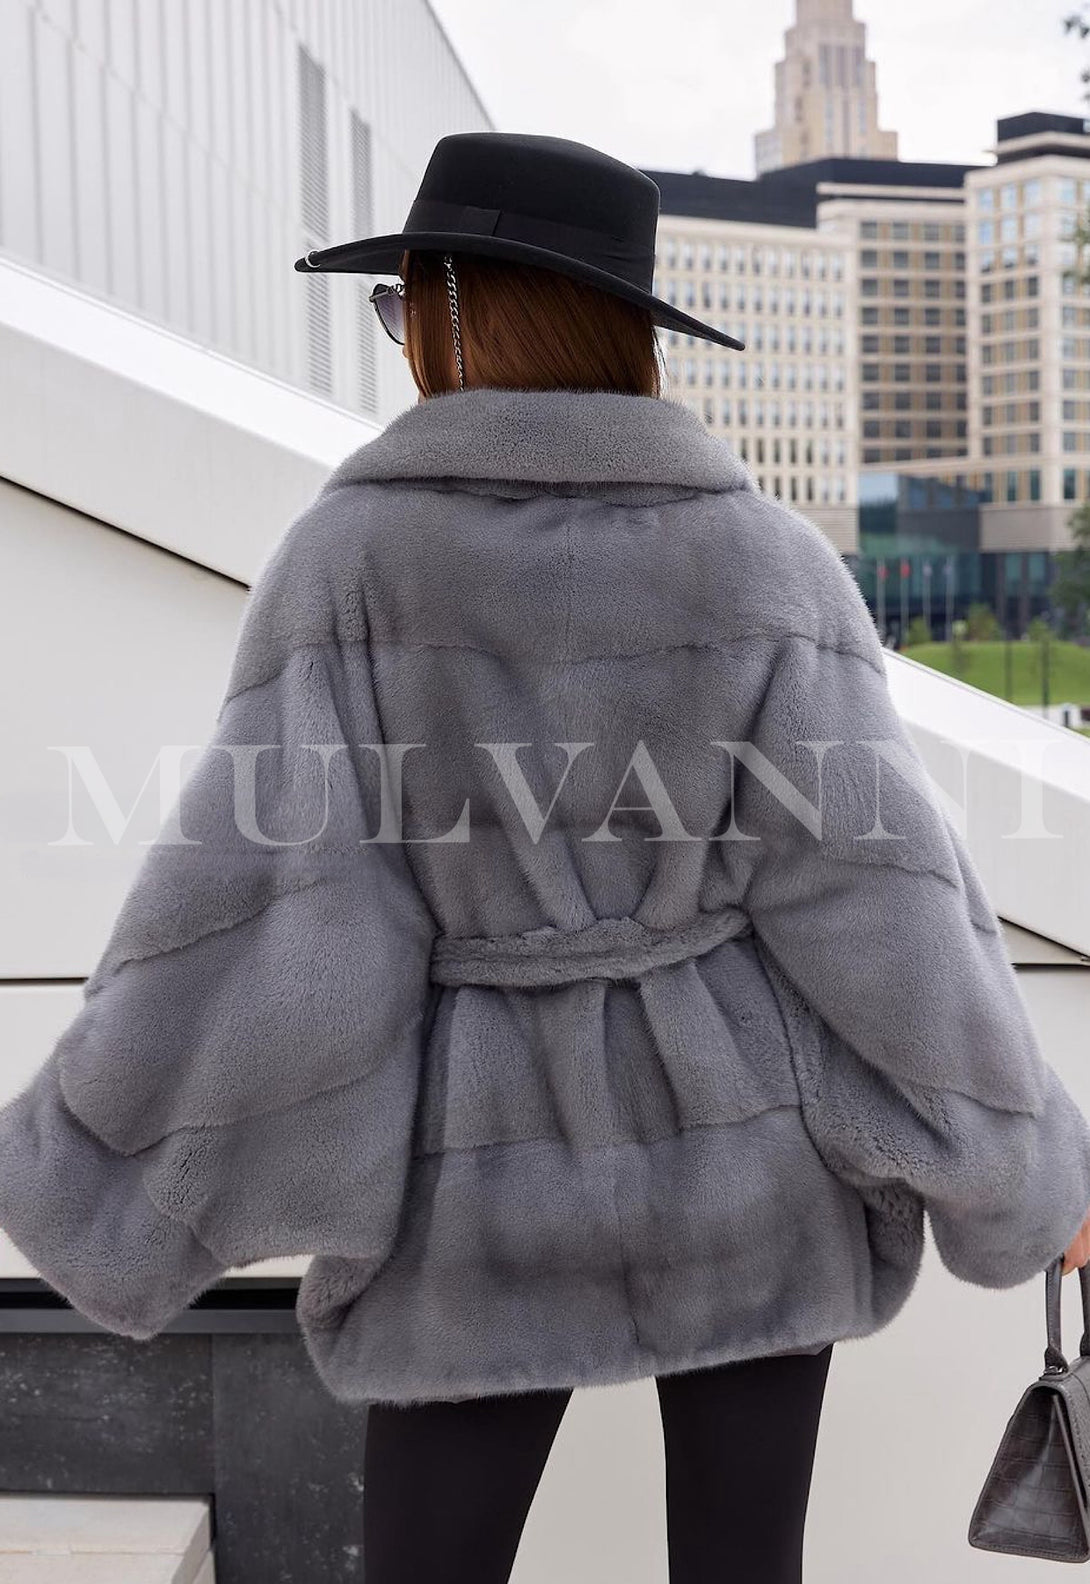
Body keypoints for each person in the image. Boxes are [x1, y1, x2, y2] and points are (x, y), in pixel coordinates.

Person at [1, 132, 1089, 1584]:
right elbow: (875, 903)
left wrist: (91, 1153)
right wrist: (1027, 1165)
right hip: (745, 1168)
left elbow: (280, 903)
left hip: (471, 1188)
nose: (402, 342)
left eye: (405, 308)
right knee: (743, 1563)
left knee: (429, 1568)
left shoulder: (355, 565)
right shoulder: (762, 563)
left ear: (459, 308)